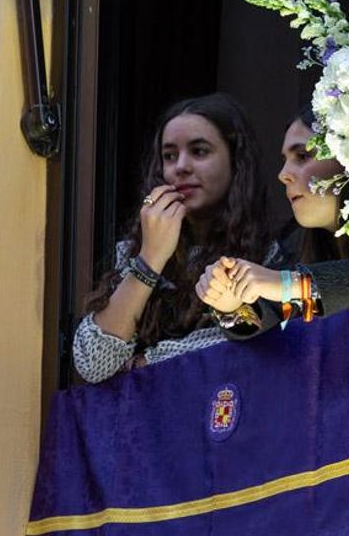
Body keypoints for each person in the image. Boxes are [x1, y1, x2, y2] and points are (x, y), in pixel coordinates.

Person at [72, 94, 276, 382]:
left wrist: (151, 360)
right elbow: (93, 363)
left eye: (199, 151)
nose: (181, 166)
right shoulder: (134, 251)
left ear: (236, 162)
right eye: (169, 156)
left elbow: (253, 343)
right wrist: (151, 258)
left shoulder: (269, 255)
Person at [196, 107, 349, 332]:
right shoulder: (296, 250)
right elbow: (268, 331)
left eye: (303, 156)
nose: (283, 174)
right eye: (286, 159)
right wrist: (231, 305)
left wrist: (291, 284)